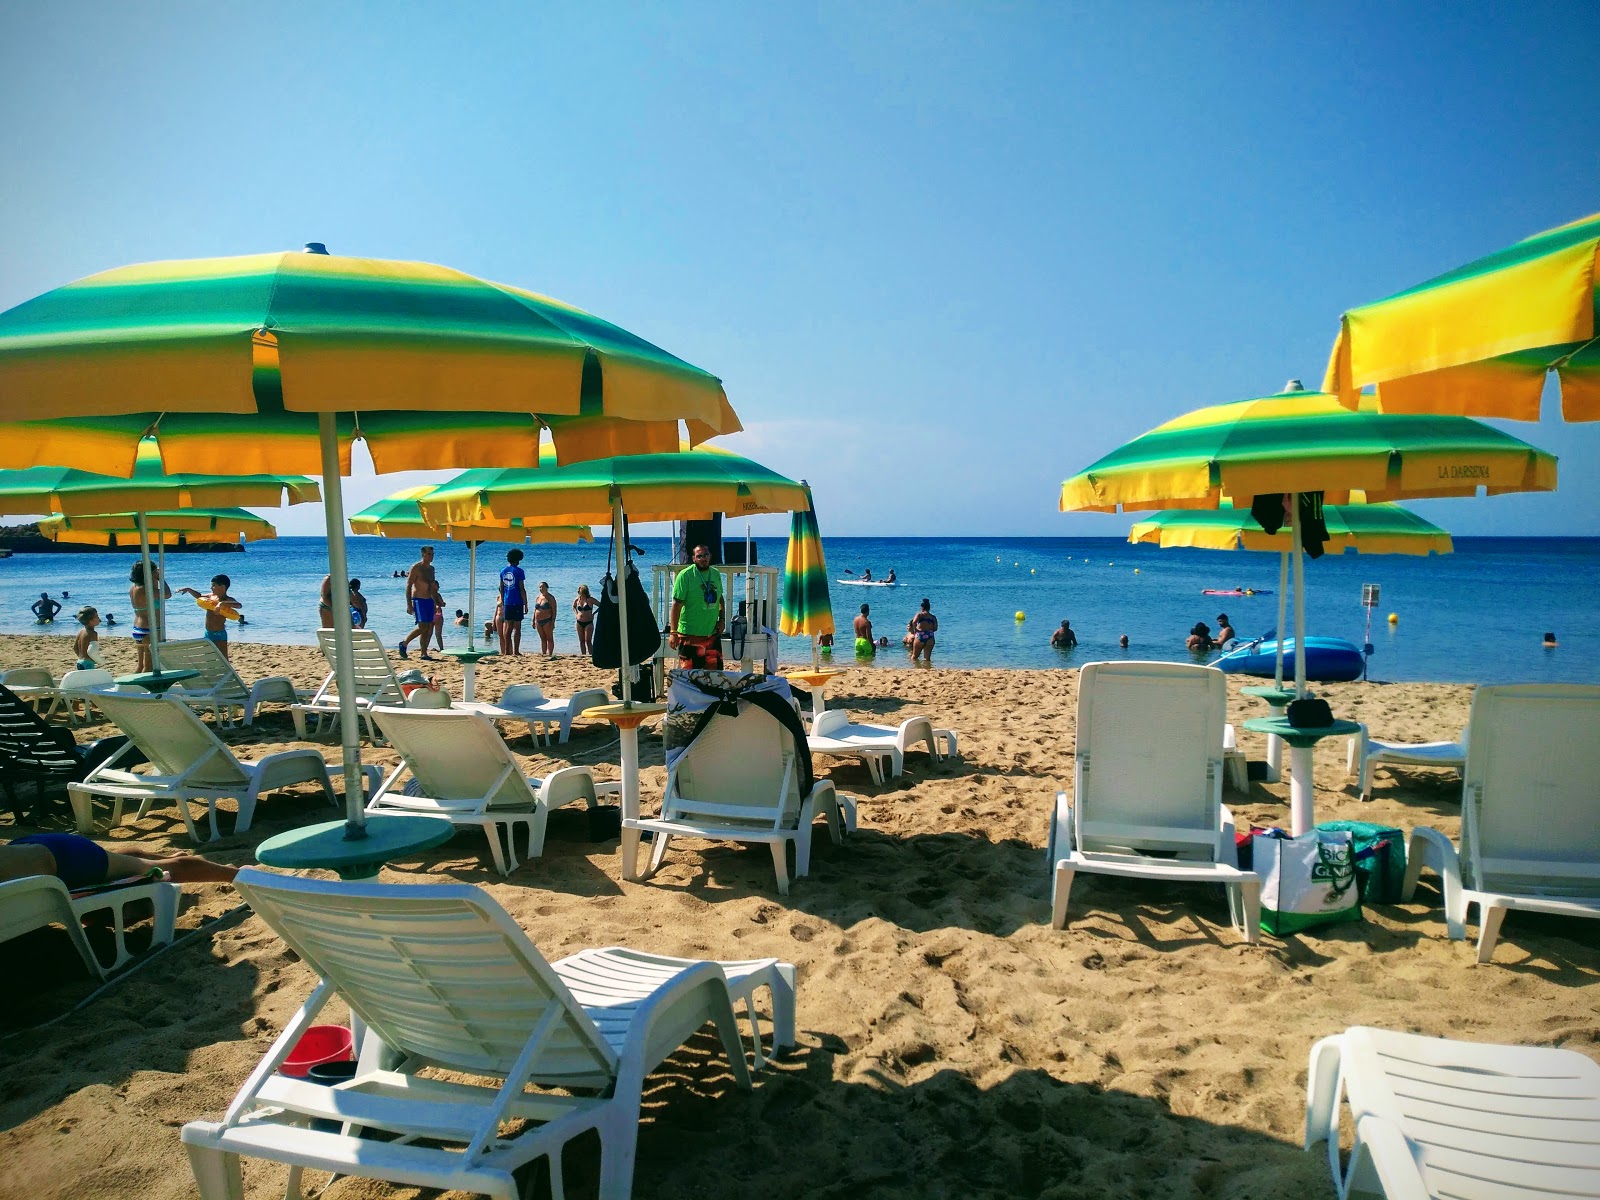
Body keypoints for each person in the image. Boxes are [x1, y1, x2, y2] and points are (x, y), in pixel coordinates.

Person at [1, 833, 238, 889]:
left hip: (62, 860)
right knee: (116, 864)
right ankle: (131, 856)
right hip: (28, 853)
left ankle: (235, 874)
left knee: (165, 870)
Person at [667, 543, 726, 670]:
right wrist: (673, 632)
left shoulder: (715, 574)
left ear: (710, 556)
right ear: (693, 558)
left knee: (714, 678)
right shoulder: (685, 575)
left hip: (711, 635)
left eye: (706, 555)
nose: (703, 558)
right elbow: (676, 605)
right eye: (699, 556)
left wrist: (722, 620)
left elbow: (720, 598)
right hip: (690, 636)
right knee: (691, 679)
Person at [177, 574, 240, 659]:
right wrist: (188, 589)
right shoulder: (211, 597)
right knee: (208, 657)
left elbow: (239, 605)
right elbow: (199, 596)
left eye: (213, 585)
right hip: (208, 632)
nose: (211, 588)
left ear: (222, 587)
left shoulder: (228, 600)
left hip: (219, 633)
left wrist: (221, 603)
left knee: (223, 657)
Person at [128, 561, 171, 673]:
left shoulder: (134, 588)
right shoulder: (146, 590)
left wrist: (154, 577)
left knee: (140, 665)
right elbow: (167, 594)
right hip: (150, 629)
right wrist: (161, 578)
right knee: (148, 666)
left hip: (138, 627)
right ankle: (144, 690)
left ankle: (135, 688)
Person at [397, 546, 437, 660]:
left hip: (429, 600)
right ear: (423, 555)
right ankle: (404, 643)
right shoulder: (416, 567)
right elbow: (408, 585)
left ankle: (423, 653)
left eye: (432, 554)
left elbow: (432, 587)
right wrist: (409, 604)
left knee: (428, 627)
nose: (431, 556)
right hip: (419, 600)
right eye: (429, 554)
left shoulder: (431, 569)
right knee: (422, 626)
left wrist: (436, 601)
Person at [497, 548, 528, 657]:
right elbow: (521, 588)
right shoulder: (519, 571)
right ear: (517, 560)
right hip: (517, 602)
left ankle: (506, 651)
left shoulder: (503, 571)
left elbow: (501, 588)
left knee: (508, 627)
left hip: (507, 601)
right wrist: (526, 603)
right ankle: (516, 651)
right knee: (517, 627)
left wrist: (503, 601)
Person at [907, 598, 938, 664]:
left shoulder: (920, 615)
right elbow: (935, 628)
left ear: (922, 607)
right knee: (927, 658)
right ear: (929, 608)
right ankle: (927, 669)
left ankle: (914, 669)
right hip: (930, 636)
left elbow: (914, 622)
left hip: (920, 635)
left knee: (915, 656)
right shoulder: (933, 617)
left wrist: (916, 630)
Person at [533, 581, 557, 657]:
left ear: (547, 588)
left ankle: (550, 654)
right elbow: (535, 610)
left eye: (543, 587)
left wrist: (553, 621)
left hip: (547, 620)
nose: (541, 588)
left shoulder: (551, 598)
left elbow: (554, 610)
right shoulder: (538, 597)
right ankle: (544, 653)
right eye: (540, 587)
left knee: (549, 638)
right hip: (538, 621)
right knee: (542, 638)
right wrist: (533, 620)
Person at [573, 583, 598, 656]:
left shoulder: (590, 600)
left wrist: (594, 613)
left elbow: (601, 605)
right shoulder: (577, 600)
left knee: (588, 641)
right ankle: (583, 655)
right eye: (580, 592)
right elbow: (574, 607)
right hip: (579, 622)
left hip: (588, 622)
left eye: (582, 593)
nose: (581, 594)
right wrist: (576, 613)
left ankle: (591, 655)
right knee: (581, 641)